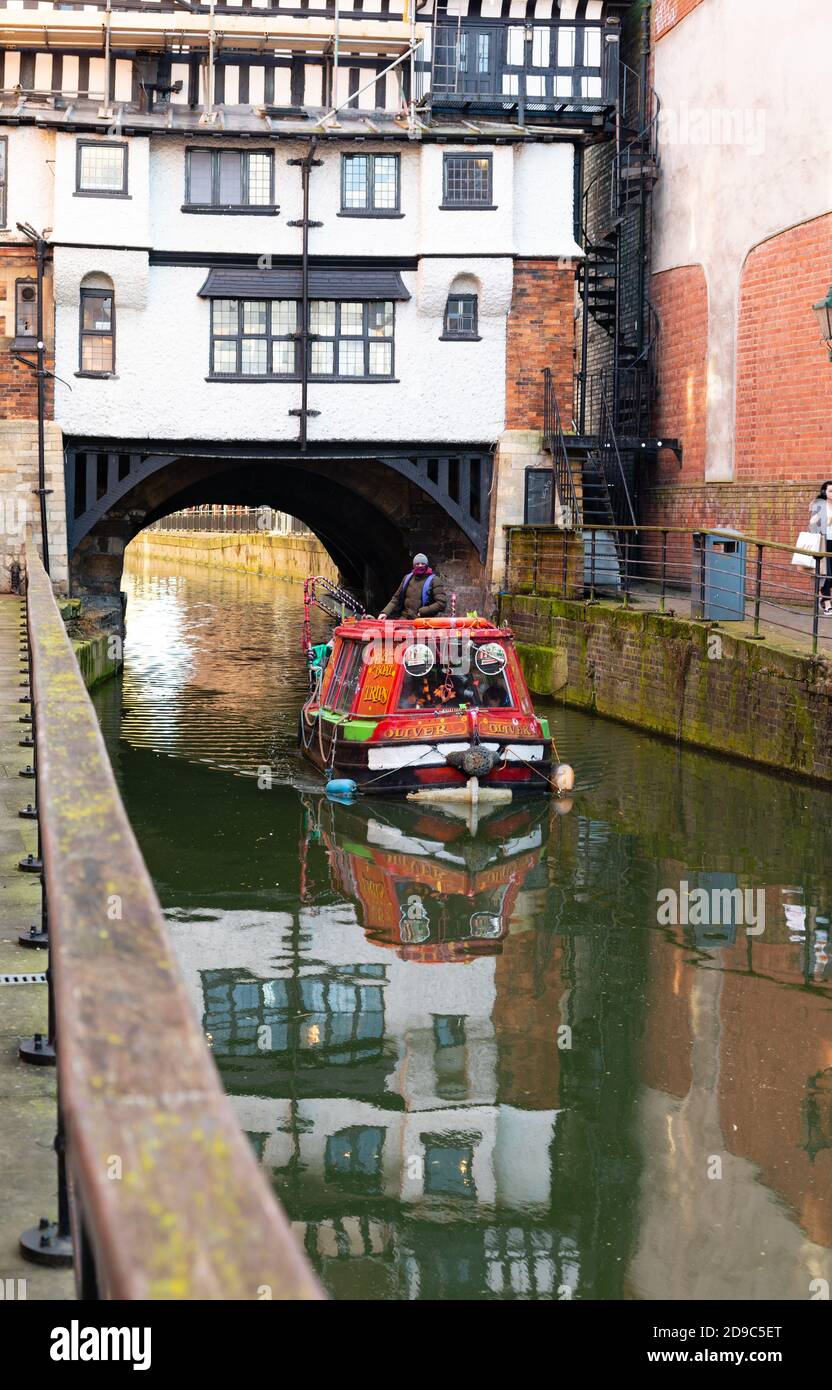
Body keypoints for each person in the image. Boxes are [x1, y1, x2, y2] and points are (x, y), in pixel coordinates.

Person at [378, 553, 447, 620]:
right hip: (405, 618)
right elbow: (396, 598)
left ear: (427, 565)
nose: (420, 566)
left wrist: (423, 611)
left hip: (423, 620)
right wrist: (385, 612)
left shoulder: (434, 580)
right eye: (417, 564)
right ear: (414, 565)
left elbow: (441, 603)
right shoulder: (407, 578)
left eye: (423, 564)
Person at [808, 481, 832, 614]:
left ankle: (822, 595)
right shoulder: (819, 505)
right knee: (827, 574)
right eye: (830, 491)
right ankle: (827, 603)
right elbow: (811, 524)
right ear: (824, 492)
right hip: (823, 543)